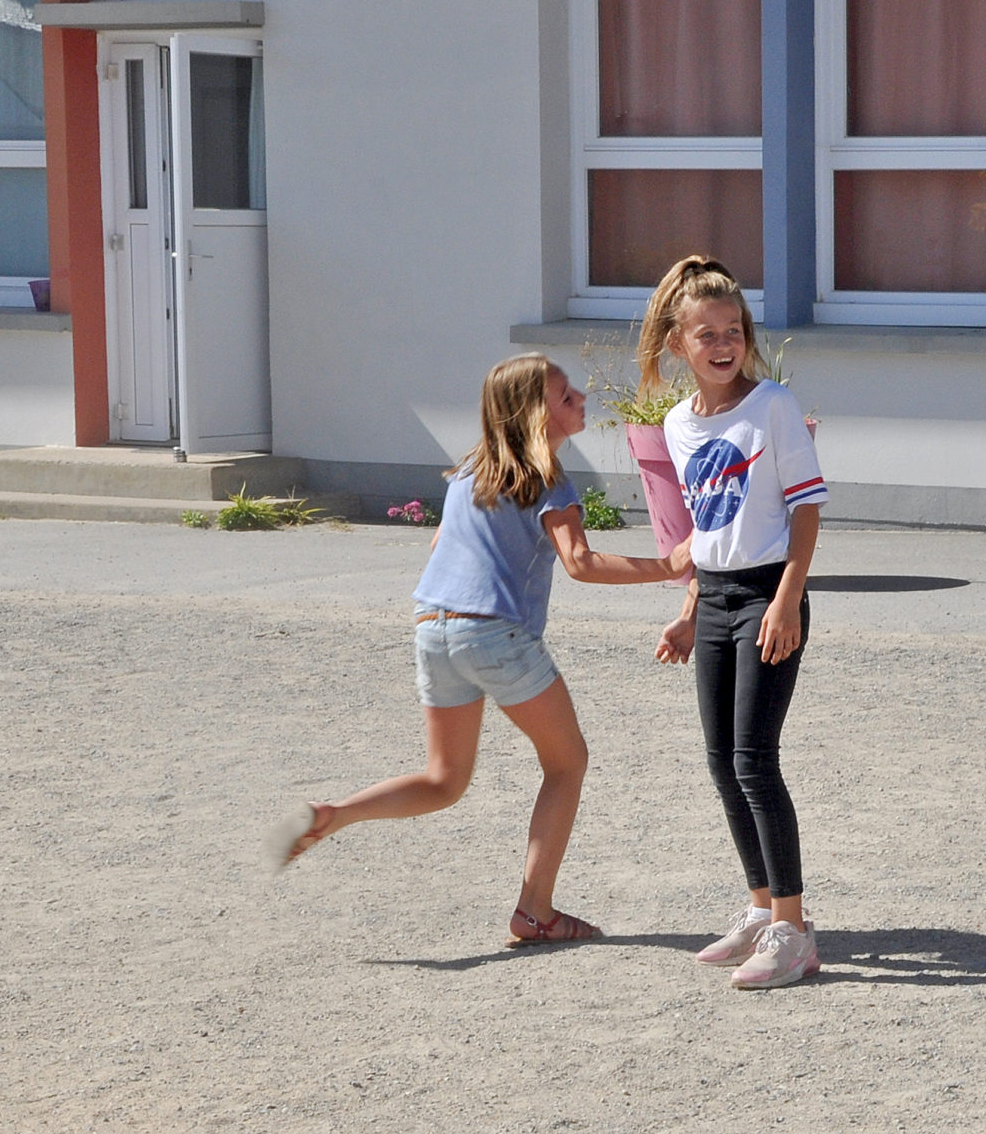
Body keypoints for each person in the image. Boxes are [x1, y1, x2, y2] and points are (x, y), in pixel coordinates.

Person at [264, 355, 690, 941]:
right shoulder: (550, 480)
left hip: (432, 626)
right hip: (495, 632)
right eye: (565, 397)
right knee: (568, 763)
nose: (581, 400)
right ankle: (535, 912)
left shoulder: (469, 473)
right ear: (534, 416)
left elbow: (444, 541)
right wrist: (668, 565)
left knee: (444, 779)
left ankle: (335, 815)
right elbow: (581, 564)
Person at [639, 256, 833, 991]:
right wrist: (689, 610)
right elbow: (706, 527)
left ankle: (793, 929)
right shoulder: (677, 425)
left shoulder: (773, 406)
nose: (722, 344)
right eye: (706, 334)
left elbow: (806, 508)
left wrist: (786, 600)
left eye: (733, 330)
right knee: (721, 761)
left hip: (767, 593)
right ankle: (759, 908)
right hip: (715, 597)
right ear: (676, 344)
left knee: (756, 758)